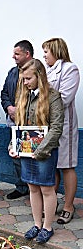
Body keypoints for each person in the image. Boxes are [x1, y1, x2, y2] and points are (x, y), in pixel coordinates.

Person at [9, 59, 64, 243]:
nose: (25, 83)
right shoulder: (25, 96)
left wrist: (40, 151)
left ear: (39, 76)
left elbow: (56, 127)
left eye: (28, 78)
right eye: (23, 79)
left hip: (45, 152)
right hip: (27, 152)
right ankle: (37, 224)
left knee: (47, 189)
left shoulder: (53, 96)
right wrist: (13, 146)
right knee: (32, 187)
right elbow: (19, 126)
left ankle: (48, 227)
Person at [42, 37, 80, 224]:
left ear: (56, 51)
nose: (44, 56)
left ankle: (68, 206)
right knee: (53, 166)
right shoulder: (47, 71)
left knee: (66, 166)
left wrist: (43, 97)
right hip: (49, 125)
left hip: (65, 125)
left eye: (46, 52)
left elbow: (64, 98)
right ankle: (52, 203)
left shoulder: (70, 69)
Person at [1, 40, 34, 199]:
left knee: (31, 157)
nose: (13, 56)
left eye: (17, 54)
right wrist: (9, 108)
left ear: (27, 54)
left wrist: (22, 111)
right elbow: (4, 93)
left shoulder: (37, 72)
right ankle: (22, 187)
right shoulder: (12, 72)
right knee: (16, 155)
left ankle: (34, 188)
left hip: (31, 123)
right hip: (14, 122)